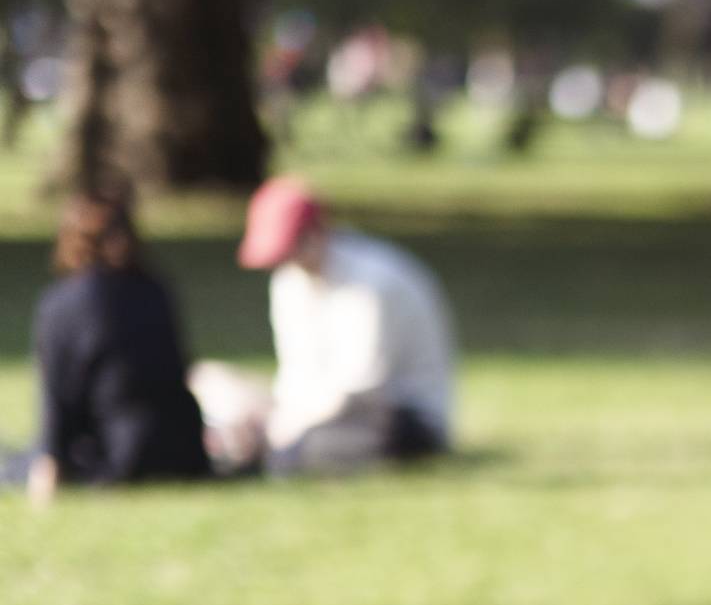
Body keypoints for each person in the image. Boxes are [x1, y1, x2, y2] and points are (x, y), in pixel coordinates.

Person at [214, 176, 457, 473]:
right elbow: (297, 370)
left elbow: (361, 385)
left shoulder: (373, 282)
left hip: (398, 417)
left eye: (292, 250)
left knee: (304, 448)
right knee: (210, 380)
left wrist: (288, 424)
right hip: (319, 409)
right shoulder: (288, 280)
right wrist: (270, 415)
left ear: (317, 233)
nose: (288, 263)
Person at [13, 188, 212, 505]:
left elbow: (57, 393)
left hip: (116, 455)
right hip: (182, 450)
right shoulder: (156, 290)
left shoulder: (61, 304)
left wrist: (49, 461)